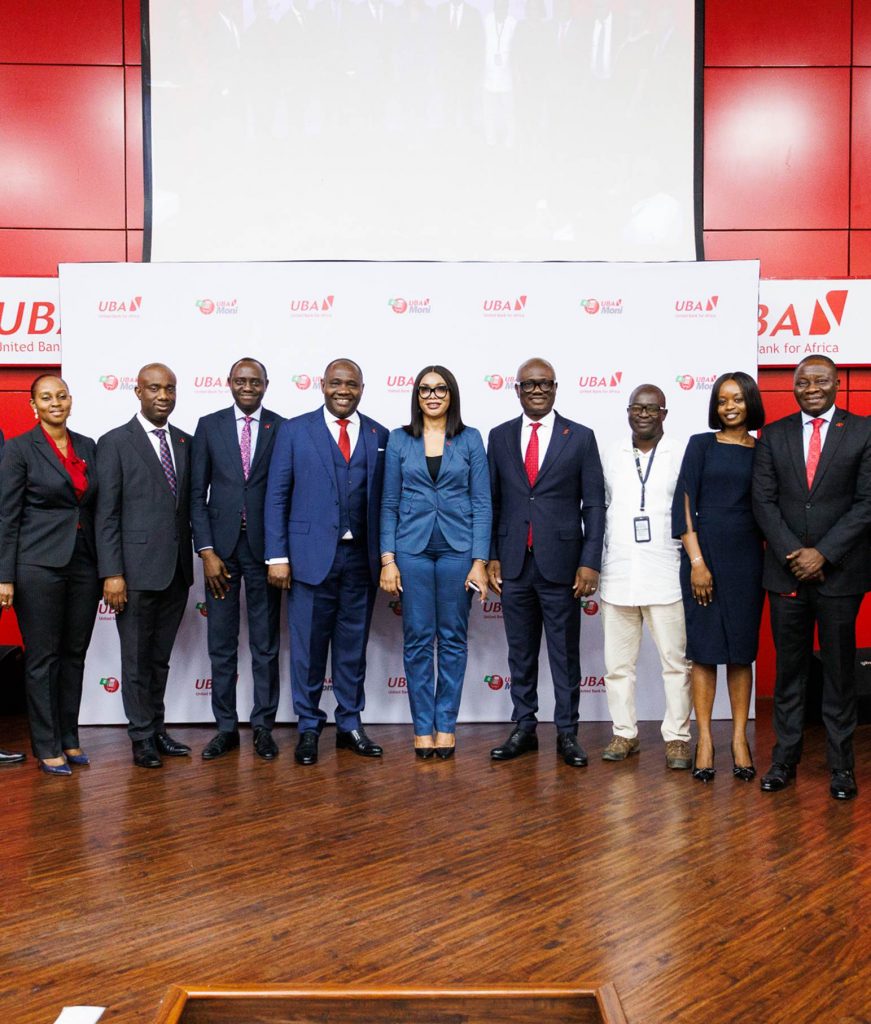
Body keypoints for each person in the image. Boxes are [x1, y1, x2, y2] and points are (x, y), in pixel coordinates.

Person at [752, 356, 871, 801]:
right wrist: (793, 554)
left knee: (840, 673)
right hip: (786, 574)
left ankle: (841, 766)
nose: (813, 386)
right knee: (790, 671)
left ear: (837, 384)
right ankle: (785, 760)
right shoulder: (773, 434)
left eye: (822, 379)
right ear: (794, 387)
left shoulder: (862, 431)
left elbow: (866, 503)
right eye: (804, 381)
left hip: (840, 574)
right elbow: (763, 502)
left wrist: (823, 553)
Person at [264, 358, 388, 766]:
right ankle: (308, 727)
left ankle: (350, 723)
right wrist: (278, 555)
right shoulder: (294, 430)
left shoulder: (377, 434)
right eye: (336, 383)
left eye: (351, 384)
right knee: (308, 649)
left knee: (352, 649)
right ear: (321, 385)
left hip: (360, 561)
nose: (343, 390)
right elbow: (277, 495)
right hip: (308, 561)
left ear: (362, 388)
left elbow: (387, 504)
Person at [487, 357, 605, 767]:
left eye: (545, 383)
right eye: (529, 384)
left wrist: (590, 561)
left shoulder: (581, 437)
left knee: (564, 653)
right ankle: (523, 727)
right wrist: (493, 556)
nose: (537, 390)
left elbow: (593, 503)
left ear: (556, 388)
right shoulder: (499, 437)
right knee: (519, 652)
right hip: (515, 564)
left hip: (563, 564)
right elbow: (493, 502)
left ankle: (567, 733)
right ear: (516, 390)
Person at [379, 366, 491, 759]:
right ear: (416, 395)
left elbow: (482, 502)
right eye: (425, 389)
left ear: (451, 394)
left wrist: (479, 560)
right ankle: (422, 728)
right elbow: (389, 502)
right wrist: (387, 559)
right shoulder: (399, 440)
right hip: (411, 549)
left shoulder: (471, 439)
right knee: (418, 640)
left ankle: (446, 726)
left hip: (458, 550)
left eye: (440, 389)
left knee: (454, 640)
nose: (432, 395)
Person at [0, 378, 101, 776]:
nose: (55, 402)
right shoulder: (20, 449)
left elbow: (97, 508)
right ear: (33, 406)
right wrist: (4, 576)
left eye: (61, 396)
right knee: (43, 657)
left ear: (71, 401)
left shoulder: (88, 446)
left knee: (75, 654)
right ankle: (46, 744)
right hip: (36, 565)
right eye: (46, 397)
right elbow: (7, 516)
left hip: (84, 564)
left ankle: (69, 737)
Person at [96, 363, 194, 769]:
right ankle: (140, 738)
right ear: (137, 391)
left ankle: (156, 728)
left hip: (176, 571)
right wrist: (112, 573)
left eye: (169, 389)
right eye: (154, 388)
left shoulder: (186, 442)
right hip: (133, 574)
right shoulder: (115, 442)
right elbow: (106, 514)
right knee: (135, 659)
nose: (163, 396)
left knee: (159, 658)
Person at [672, 372, 766, 783]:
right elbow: (685, 504)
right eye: (723, 399)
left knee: (741, 652)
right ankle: (706, 740)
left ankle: (740, 740)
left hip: (747, 560)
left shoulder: (762, 452)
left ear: (750, 403)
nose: (729, 406)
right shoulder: (700, 444)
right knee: (706, 650)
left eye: (738, 399)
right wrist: (696, 562)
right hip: (703, 557)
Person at [191, 357, 284, 761]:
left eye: (255, 381)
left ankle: (264, 726)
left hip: (266, 551)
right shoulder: (208, 426)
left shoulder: (282, 427)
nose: (248, 386)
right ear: (229, 383)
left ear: (266, 384)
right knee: (221, 644)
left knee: (265, 644)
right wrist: (207, 551)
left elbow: (287, 491)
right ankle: (226, 728)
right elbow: (196, 494)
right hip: (221, 553)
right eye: (241, 380)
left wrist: (282, 551)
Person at [599, 384, 691, 769]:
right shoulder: (611, 454)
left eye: (651, 408)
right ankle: (625, 733)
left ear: (664, 414)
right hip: (617, 573)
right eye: (636, 407)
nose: (643, 414)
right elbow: (600, 508)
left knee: (676, 663)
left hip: (665, 572)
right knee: (617, 666)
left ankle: (678, 738)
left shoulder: (681, 454)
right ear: (628, 412)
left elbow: (689, 512)